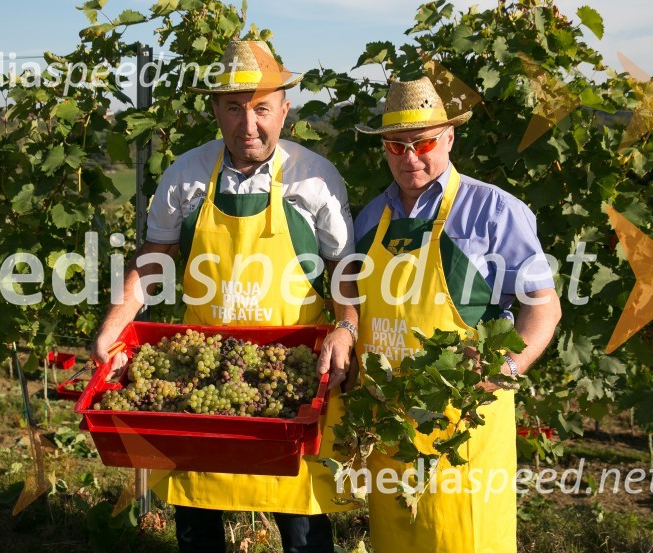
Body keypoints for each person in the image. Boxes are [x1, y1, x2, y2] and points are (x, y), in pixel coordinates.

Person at [91, 40, 358, 552]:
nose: (248, 124)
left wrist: (346, 326)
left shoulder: (315, 178)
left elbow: (343, 268)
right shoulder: (186, 175)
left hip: (290, 376)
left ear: (285, 109)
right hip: (201, 374)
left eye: (261, 109)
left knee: (302, 525)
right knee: (198, 517)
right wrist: (114, 324)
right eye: (234, 108)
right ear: (215, 109)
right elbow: (153, 258)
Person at [352, 77, 561, 552]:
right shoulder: (369, 219)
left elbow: (544, 304)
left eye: (423, 143)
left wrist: (506, 369)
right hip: (391, 431)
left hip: (461, 428)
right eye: (397, 145)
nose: (410, 158)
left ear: (449, 138)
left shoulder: (492, 210)